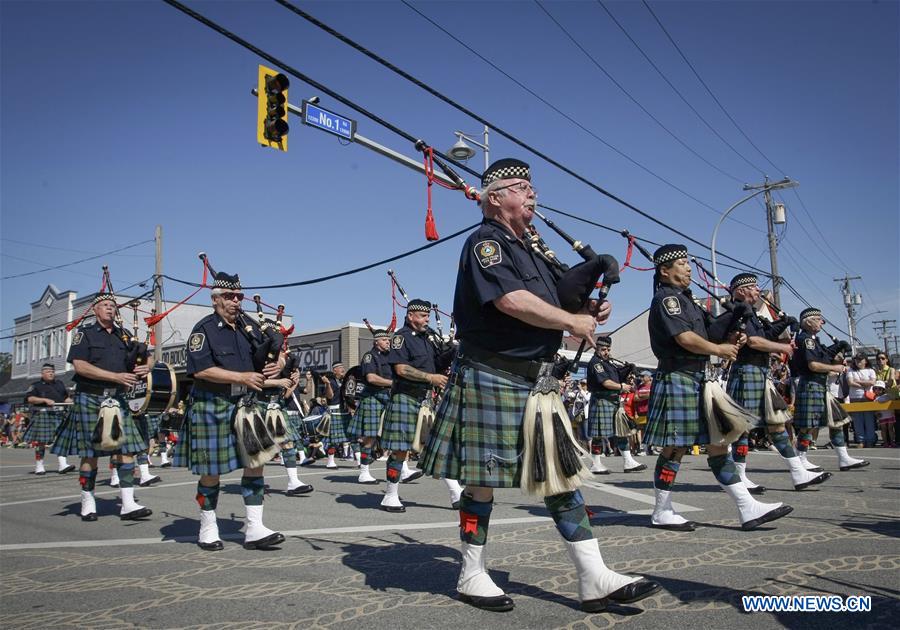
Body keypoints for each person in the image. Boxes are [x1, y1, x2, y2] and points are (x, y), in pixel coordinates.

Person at [420, 158, 659, 613]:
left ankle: (594, 577)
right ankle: (472, 573)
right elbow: (512, 300)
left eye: (532, 187)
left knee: (560, 475)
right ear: (495, 198)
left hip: (537, 381)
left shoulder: (532, 247)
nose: (532, 194)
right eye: (521, 187)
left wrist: (589, 299)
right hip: (492, 373)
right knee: (480, 481)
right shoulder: (485, 243)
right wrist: (572, 319)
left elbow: (560, 298)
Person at [643, 245, 792, 533]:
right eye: (683, 263)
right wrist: (720, 349)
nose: (688, 268)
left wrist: (736, 318)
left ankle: (746, 507)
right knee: (675, 448)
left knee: (718, 443)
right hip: (677, 376)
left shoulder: (688, 300)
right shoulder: (667, 299)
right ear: (665, 270)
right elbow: (685, 338)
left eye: (688, 263)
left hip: (698, 378)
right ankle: (662, 510)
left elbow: (709, 330)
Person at [175, 271, 286, 551]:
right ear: (215, 300)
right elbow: (200, 369)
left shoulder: (250, 326)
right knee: (212, 471)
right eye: (229, 297)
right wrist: (241, 377)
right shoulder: (204, 330)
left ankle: (254, 527)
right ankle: (208, 526)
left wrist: (279, 364)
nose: (236, 301)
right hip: (212, 404)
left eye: (239, 296)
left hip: (246, 404)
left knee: (256, 462)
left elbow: (275, 352)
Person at [51, 292, 153, 522]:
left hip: (118, 399)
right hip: (91, 397)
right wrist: (115, 376)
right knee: (90, 453)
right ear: (95, 309)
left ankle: (127, 503)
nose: (110, 308)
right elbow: (80, 366)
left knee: (126, 449)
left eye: (112, 305)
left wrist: (146, 366)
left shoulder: (124, 335)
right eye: (105, 305)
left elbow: (147, 356)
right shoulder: (84, 335)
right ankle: (88, 500)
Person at [724, 273, 830, 492]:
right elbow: (753, 341)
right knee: (742, 428)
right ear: (741, 290)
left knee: (777, 424)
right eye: (753, 287)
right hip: (746, 372)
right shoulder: (735, 311)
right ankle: (740, 476)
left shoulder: (751, 312)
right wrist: (783, 347)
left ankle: (798, 472)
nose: (757, 291)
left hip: (759, 374)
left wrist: (782, 323)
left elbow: (764, 333)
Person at [380, 299, 458, 512]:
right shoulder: (401, 338)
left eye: (427, 317)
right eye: (423, 316)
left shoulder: (430, 336)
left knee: (438, 446)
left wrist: (452, 350)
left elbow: (439, 364)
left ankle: (455, 491)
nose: (426, 320)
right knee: (399, 450)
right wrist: (430, 378)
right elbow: (401, 369)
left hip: (425, 400)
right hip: (405, 397)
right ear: (411, 316)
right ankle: (390, 495)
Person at [792, 308, 869, 471]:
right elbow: (813, 365)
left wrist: (838, 346)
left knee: (837, 421)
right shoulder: (806, 340)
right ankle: (801, 458)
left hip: (820, 386)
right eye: (819, 319)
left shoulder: (814, 340)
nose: (822, 322)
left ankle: (844, 458)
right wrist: (837, 368)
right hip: (811, 384)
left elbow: (824, 355)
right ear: (808, 321)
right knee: (808, 425)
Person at [585, 336, 645, 474]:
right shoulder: (596, 363)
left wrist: (628, 374)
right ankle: (596, 464)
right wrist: (621, 386)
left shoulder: (609, 363)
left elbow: (617, 376)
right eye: (603, 349)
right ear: (597, 348)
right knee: (598, 435)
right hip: (602, 401)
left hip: (614, 401)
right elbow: (606, 383)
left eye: (608, 349)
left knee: (621, 431)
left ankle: (628, 461)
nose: (606, 352)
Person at [346, 329, 393, 484]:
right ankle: (364, 472)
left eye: (388, 340)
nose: (388, 342)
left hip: (388, 398)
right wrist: (394, 383)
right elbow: (371, 378)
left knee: (395, 433)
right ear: (376, 342)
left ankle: (403, 468)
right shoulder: (369, 356)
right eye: (385, 340)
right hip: (372, 398)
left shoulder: (391, 357)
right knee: (370, 436)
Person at [24, 363, 75, 475]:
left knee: (62, 439)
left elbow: (65, 397)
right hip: (44, 414)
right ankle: (39, 465)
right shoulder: (36, 385)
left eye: (52, 371)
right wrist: (44, 400)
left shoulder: (60, 384)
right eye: (48, 371)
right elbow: (30, 398)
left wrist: (71, 401)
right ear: (42, 373)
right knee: (41, 441)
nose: (51, 373)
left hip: (60, 413)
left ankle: (63, 464)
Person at [846, 353, 877, 448]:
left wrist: (858, 382)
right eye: (856, 359)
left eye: (860, 359)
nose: (858, 361)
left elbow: (872, 382)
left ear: (865, 360)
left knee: (869, 420)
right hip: (855, 397)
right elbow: (850, 383)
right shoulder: (851, 370)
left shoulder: (871, 370)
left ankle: (870, 440)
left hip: (868, 397)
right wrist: (865, 384)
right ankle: (860, 440)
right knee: (857, 421)